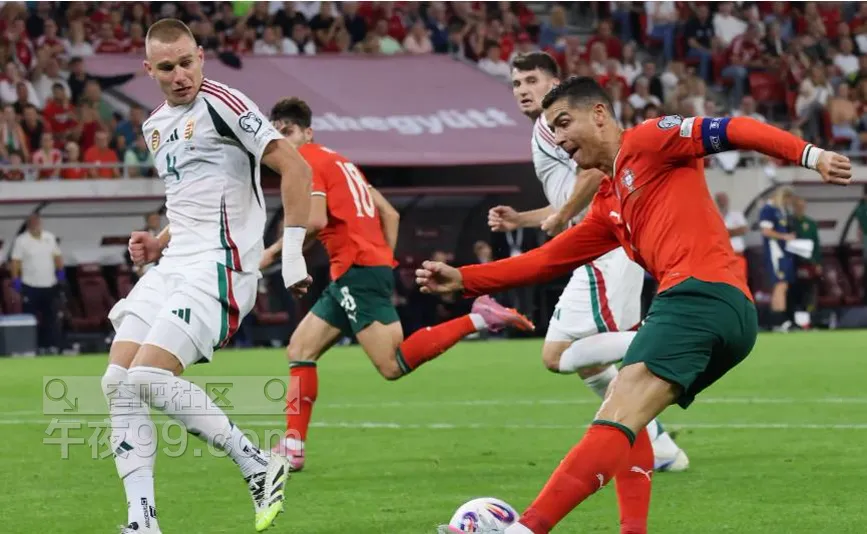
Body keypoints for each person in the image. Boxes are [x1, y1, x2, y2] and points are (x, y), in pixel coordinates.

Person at [417, 76, 851, 534]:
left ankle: (525, 529)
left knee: (617, 412)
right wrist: (465, 279)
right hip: (724, 311)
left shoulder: (649, 140)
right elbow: (544, 261)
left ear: (599, 114)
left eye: (564, 122)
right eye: (552, 130)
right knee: (628, 413)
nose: (559, 138)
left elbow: (735, 128)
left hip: (698, 296)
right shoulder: (609, 205)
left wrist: (812, 156)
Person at [102, 19, 313, 534]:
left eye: (186, 62)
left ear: (200, 56)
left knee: (148, 377)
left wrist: (291, 255)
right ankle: (141, 520)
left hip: (220, 266)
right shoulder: (155, 127)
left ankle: (256, 464)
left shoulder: (224, 103)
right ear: (149, 70)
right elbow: (194, 198)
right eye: (167, 67)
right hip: (173, 264)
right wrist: (159, 241)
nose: (180, 75)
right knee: (117, 382)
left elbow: (296, 168)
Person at [261, 97, 534, 472]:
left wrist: (272, 253)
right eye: (276, 134)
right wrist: (381, 258)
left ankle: (479, 318)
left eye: (289, 131)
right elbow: (389, 213)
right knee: (299, 348)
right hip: (360, 269)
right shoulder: (342, 162)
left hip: (357, 270)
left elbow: (316, 221)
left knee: (392, 365)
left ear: (307, 133)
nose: (284, 141)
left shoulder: (307, 162)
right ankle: (293, 445)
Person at [491, 52, 687, 471]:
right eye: (517, 83)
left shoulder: (551, 126)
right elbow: (572, 197)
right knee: (592, 363)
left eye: (532, 80)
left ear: (554, 84)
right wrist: (523, 219)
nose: (523, 90)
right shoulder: (548, 130)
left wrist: (562, 216)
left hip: (602, 248)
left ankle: (672, 339)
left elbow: (596, 174)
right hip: (609, 242)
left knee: (557, 354)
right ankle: (661, 448)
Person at [9, 213, 64, 354]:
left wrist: (60, 273)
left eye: (37, 222)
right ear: (29, 225)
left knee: (51, 318)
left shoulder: (49, 237)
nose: (36, 225)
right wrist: (16, 280)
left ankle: (50, 346)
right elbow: (15, 262)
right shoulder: (21, 241)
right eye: (33, 223)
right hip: (30, 285)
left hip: (49, 284)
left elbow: (57, 257)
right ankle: (31, 346)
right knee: (31, 318)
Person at [759, 186, 796, 332]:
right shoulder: (768, 210)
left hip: (783, 252)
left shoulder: (780, 211)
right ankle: (778, 320)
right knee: (779, 285)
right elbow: (766, 231)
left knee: (783, 285)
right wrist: (784, 236)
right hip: (775, 253)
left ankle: (779, 320)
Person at [791, 196, 823, 317]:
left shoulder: (810, 223)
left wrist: (818, 263)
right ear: (793, 207)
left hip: (808, 263)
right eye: (798, 206)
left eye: (802, 206)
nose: (800, 209)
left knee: (810, 291)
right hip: (793, 263)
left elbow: (816, 244)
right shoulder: (789, 222)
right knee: (794, 291)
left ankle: (810, 316)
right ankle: (794, 316)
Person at [715, 192, 749, 284]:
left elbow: (744, 230)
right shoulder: (713, 215)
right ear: (716, 201)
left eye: (724, 200)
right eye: (720, 200)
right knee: (725, 283)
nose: (723, 202)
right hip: (721, 257)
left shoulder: (736, 214)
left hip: (737, 255)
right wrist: (733, 231)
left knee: (741, 282)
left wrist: (723, 232)